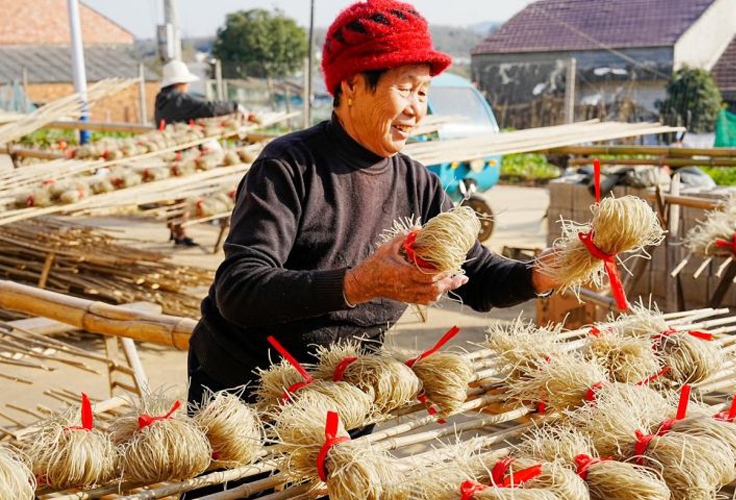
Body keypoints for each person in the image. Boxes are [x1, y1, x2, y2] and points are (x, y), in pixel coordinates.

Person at [183, 0, 561, 496]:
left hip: (348, 393)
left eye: (424, 91)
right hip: (248, 393)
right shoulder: (289, 165)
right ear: (351, 86)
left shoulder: (418, 184)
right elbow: (240, 288)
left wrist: (541, 274)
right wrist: (360, 284)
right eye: (405, 87)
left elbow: (480, 275)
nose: (416, 108)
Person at [154, 60, 246, 246]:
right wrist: (234, 106)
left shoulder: (161, 100)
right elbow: (208, 108)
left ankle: (175, 229)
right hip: (183, 156)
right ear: (179, 82)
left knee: (177, 194)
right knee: (184, 194)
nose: (187, 86)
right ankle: (180, 233)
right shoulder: (178, 100)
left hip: (170, 153)